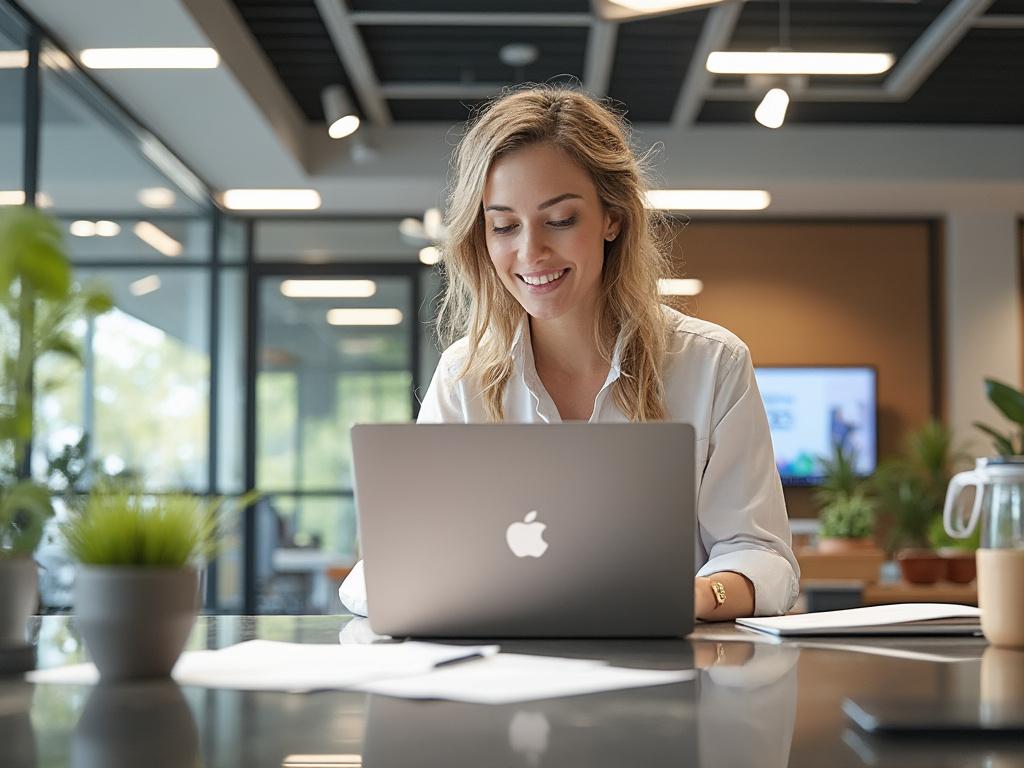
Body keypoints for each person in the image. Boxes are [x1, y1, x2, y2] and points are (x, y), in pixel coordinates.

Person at [342, 85, 799, 621]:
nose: (531, 252)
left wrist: (694, 596)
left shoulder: (712, 363)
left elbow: (762, 555)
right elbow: (387, 569)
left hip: (675, 682)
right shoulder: (462, 376)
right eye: (505, 225)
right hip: (504, 679)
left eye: (560, 220)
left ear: (613, 218)